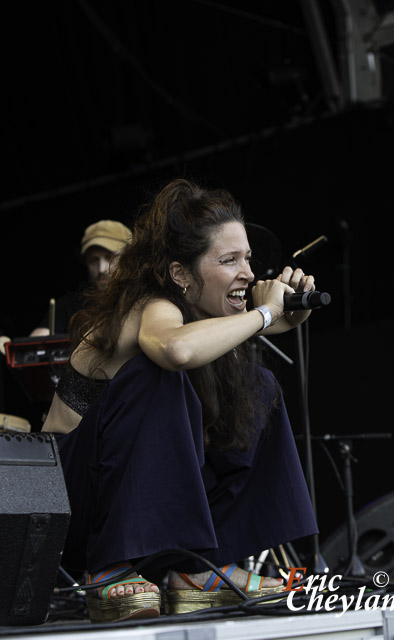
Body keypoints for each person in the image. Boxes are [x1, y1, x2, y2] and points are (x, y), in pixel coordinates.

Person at [41, 178, 318, 623]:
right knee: (158, 376)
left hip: (117, 504)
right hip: (65, 508)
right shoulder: (152, 305)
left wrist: (287, 314)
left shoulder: (198, 314)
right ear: (180, 274)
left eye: (247, 258)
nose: (247, 272)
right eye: (229, 260)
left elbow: (211, 343)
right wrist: (264, 313)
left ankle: (196, 571)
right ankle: (111, 567)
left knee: (256, 383)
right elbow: (176, 350)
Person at [30, 219, 132, 336]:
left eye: (110, 257)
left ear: (129, 258)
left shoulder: (141, 299)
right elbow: (37, 341)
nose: (101, 269)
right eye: (94, 260)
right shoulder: (70, 304)